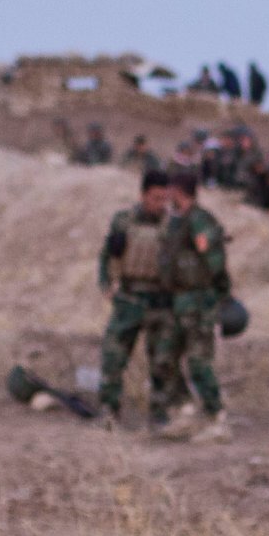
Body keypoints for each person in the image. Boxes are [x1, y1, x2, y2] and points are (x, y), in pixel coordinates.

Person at [96, 168, 184, 428]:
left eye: (166, 199)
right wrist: (106, 283)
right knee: (113, 358)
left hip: (161, 302)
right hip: (129, 299)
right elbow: (107, 255)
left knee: (163, 363)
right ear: (143, 195)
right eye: (156, 198)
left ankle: (160, 416)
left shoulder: (175, 226)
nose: (161, 204)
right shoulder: (123, 221)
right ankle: (109, 412)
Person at [155, 168, 233, 442]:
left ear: (179, 191)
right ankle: (185, 411)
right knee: (164, 357)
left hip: (199, 302)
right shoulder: (177, 221)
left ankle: (217, 417)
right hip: (177, 301)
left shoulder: (201, 220)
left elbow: (214, 262)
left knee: (199, 362)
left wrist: (219, 296)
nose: (167, 195)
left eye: (171, 190)